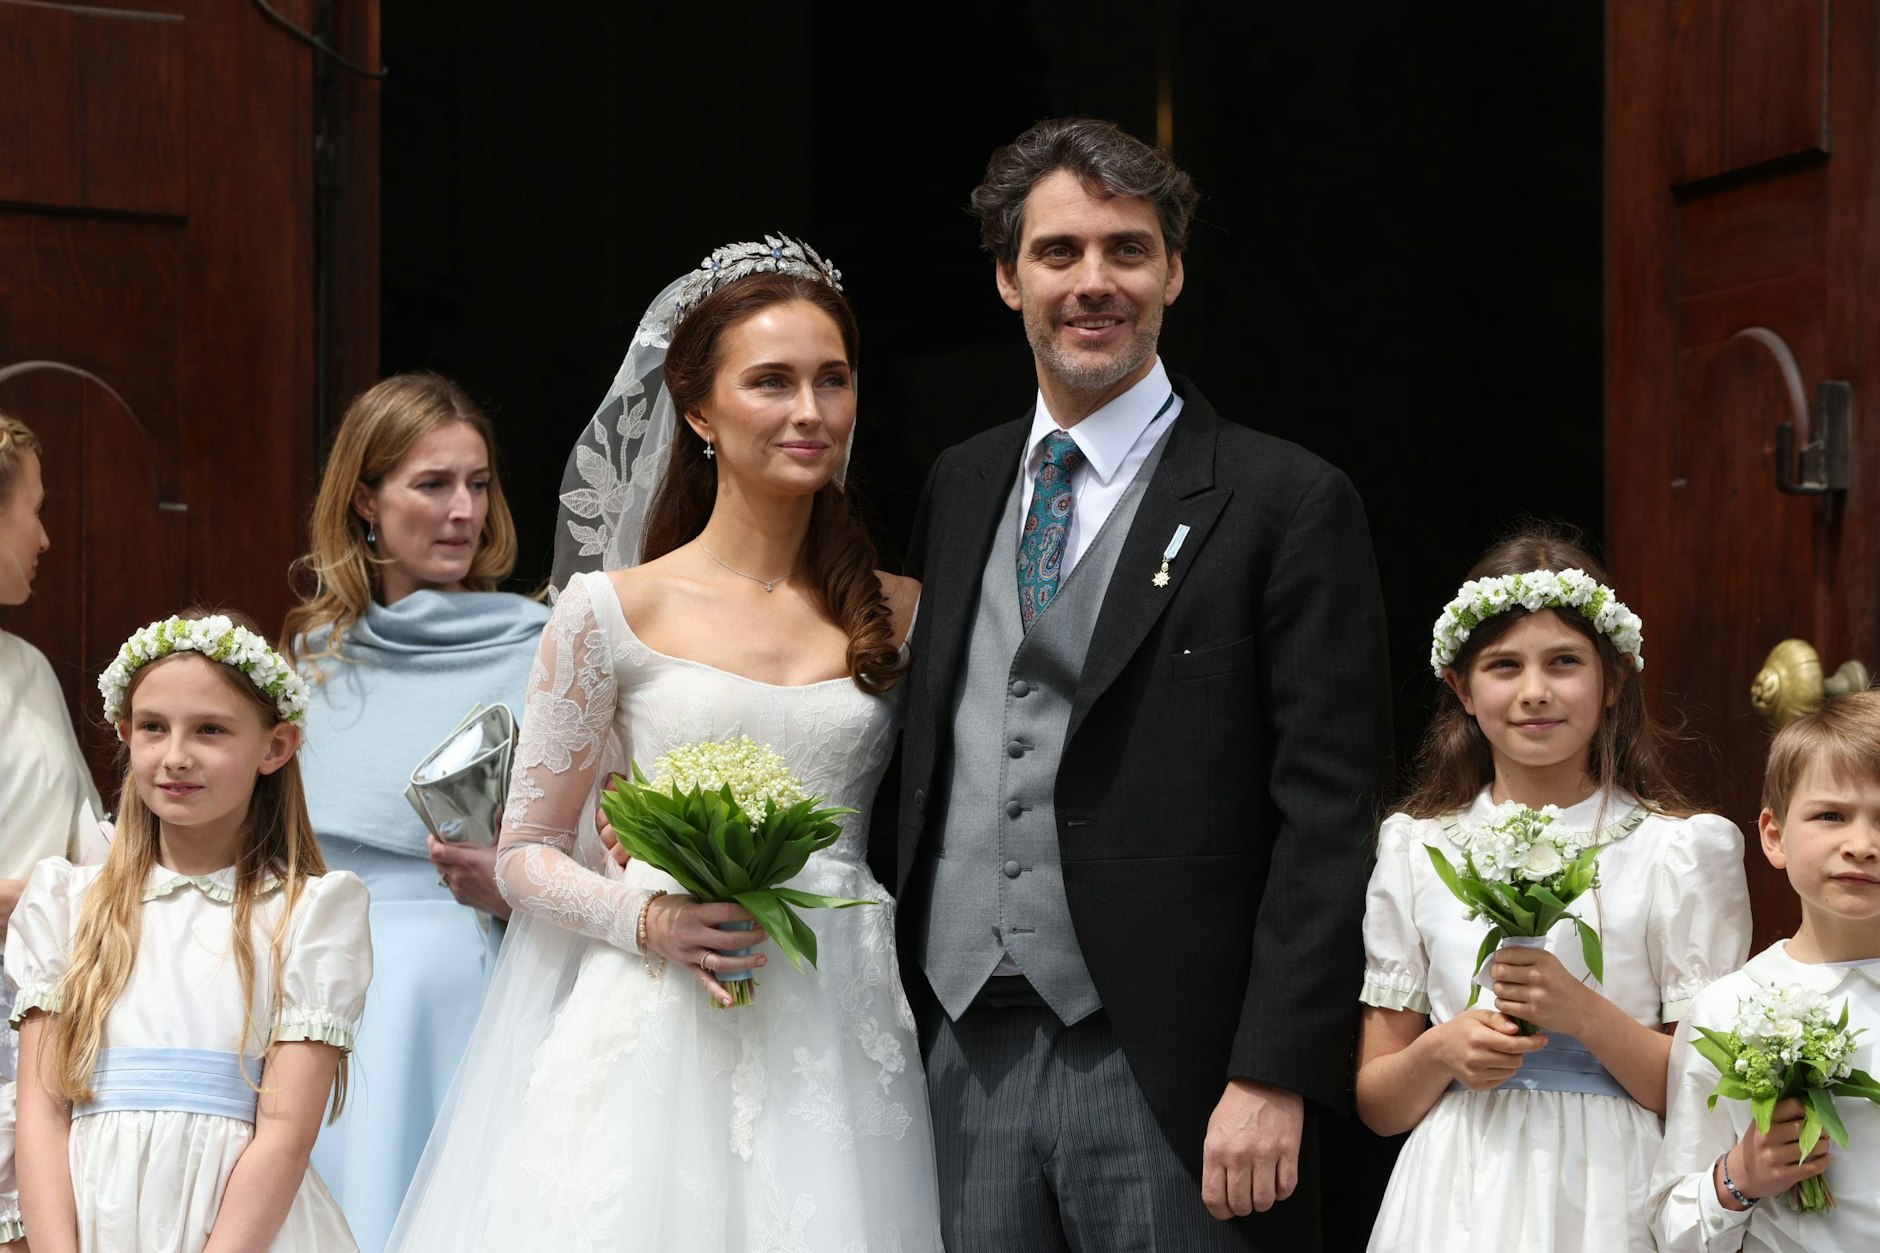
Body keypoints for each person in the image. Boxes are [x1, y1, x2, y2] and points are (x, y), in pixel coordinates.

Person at [876, 116, 1392, 1250]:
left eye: (1127, 249)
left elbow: (1327, 814)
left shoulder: (1285, 502)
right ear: (1008, 278)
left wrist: (1272, 1068)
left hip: (1178, 1070)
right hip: (960, 1051)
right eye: (1058, 253)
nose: (1093, 282)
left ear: (1173, 271)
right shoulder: (959, 485)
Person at [387, 235, 942, 1250]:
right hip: (656, 1021)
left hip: (838, 1009)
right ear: (697, 409)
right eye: (770, 381)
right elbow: (521, 853)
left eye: (832, 380)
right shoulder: (609, 610)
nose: (808, 412)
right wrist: (647, 917)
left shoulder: (902, 611)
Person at [1355, 528, 1753, 1251]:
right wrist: (1443, 1051)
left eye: (1564, 662)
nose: (1534, 691)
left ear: (1614, 681)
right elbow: (1379, 1102)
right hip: (1458, 1193)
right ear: (1461, 688)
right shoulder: (1419, 847)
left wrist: (1585, 1014)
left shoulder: (1676, 849)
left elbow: (1707, 1097)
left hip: (1610, 1192)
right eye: (1504, 665)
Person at [280, 372, 548, 1253]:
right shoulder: (311, 656)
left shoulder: (545, 642)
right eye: (433, 484)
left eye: (477, 483)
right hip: (316, 981)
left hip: (471, 977)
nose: (463, 509)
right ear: (366, 498)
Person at [9, 611, 371, 1251]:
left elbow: (285, 1132)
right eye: (153, 727)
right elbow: (41, 1111)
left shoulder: (309, 915)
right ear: (126, 734)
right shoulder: (67, 905)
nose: (176, 756)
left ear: (275, 747)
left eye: (209, 730)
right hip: (91, 1220)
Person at [1649, 689, 1880, 1251]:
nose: (1863, 845)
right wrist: (1739, 1177)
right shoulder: (1728, 1008)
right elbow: (1671, 1226)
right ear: (1774, 836)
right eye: (1831, 815)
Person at [0, 412, 104, 1250]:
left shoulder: (28, 667)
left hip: (39, 1005)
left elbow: (86, 834)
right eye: (31, 507)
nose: (44, 534)